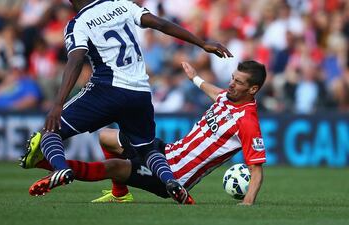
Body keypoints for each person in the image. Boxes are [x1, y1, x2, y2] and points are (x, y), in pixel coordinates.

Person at [21, 0, 232, 205]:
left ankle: (60, 168)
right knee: (147, 148)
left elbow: (76, 60)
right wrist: (202, 43)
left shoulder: (78, 23)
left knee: (50, 131)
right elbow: (161, 24)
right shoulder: (121, 5)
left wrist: (57, 104)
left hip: (106, 89)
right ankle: (170, 181)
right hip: (139, 92)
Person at [21, 61, 266, 205]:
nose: (231, 84)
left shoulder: (247, 122)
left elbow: (256, 169)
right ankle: (120, 195)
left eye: (239, 82)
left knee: (114, 166)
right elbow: (216, 93)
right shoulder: (229, 98)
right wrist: (195, 78)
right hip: (166, 151)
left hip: (174, 177)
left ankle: (46, 165)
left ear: (253, 89)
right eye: (233, 78)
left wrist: (247, 203)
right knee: (106, 136)